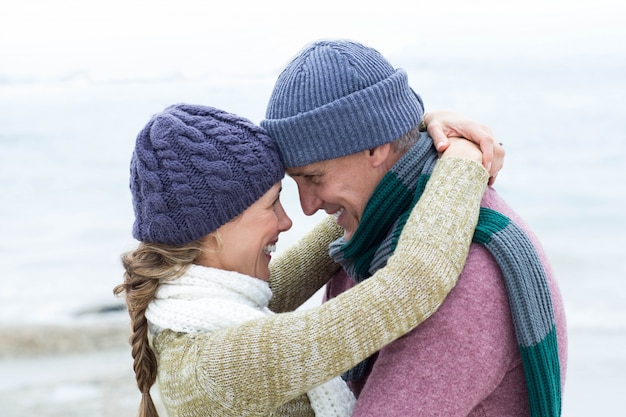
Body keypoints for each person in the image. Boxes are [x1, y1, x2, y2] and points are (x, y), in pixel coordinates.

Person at [113, 103, 490, 417]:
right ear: (215, 228)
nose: (286, 219)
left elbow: (334, 239)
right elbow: (408, 289)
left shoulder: (194, 313)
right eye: (272, 202)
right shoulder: (218, 365)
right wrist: (464, 160)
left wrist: (407, 138)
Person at [261, 39, 567, 417]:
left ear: (375, 148)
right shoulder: (371, 234)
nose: (307, 207)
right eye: (295, 182)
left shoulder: (467, 279)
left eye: (313, 177)